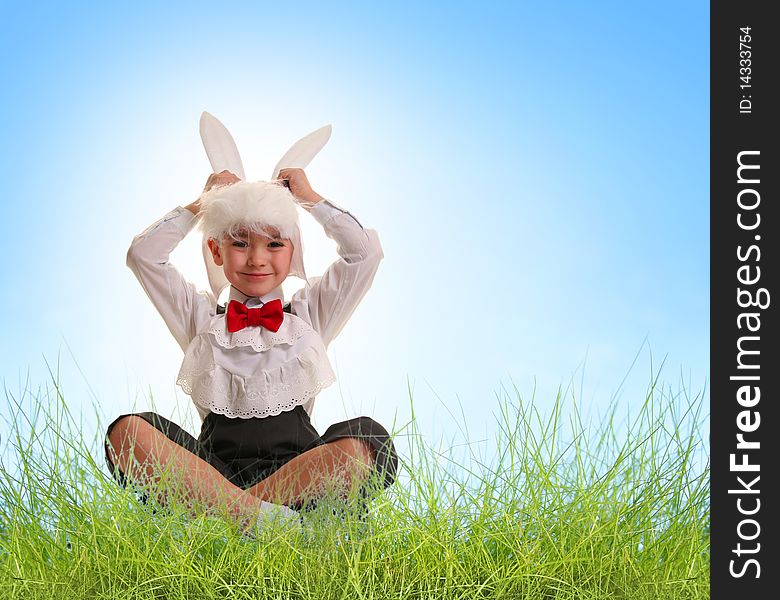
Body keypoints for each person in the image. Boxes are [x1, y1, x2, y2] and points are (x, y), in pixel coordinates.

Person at [104, 167, 398, 532]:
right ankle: (264, 522)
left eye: (274, 244)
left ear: (293, 252)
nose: (257, 259)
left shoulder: (309, 315)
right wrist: (203, 204)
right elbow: (143, 255)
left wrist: (309, 198)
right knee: (127, 432)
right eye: (240, 243)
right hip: (211, 474)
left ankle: (234, 520)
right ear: (215, 250)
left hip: (297, 478)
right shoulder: (201, 320)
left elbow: (366, 254)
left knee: (368, 441)